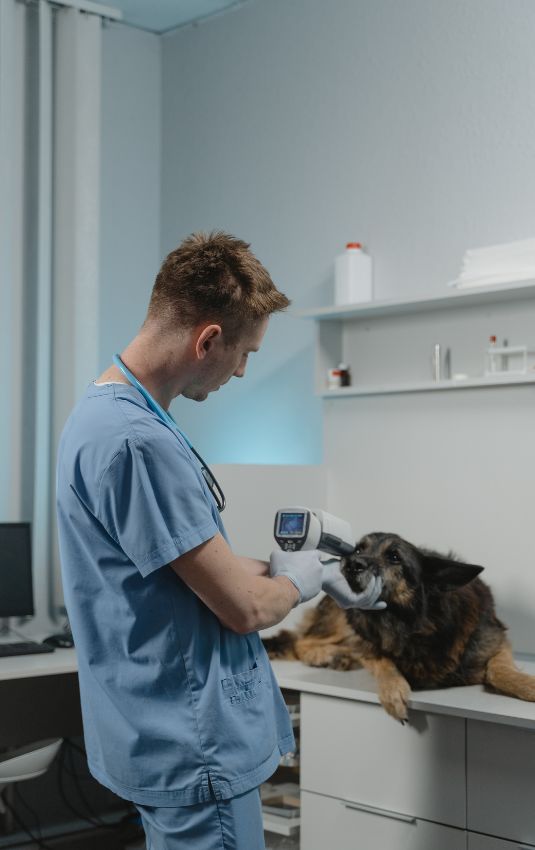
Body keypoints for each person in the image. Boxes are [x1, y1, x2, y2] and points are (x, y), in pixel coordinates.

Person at [56, 232, 384, 850]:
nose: (241, 370)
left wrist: (285, 564)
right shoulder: (138, 441)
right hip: (192, 740)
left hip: (154, 732)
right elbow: (246, 609)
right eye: (244, 354)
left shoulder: (103, 415)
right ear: (208, 339)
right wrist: (303, 580)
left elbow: (182, 564)